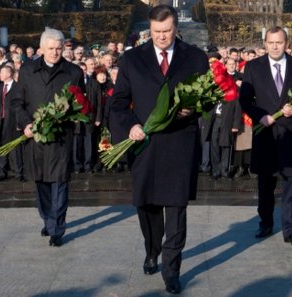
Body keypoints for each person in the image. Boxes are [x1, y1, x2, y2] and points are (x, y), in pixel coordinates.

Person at [109, 5, 209, 294]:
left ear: (176, 28)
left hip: (180, 144)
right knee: (147, 206)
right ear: (148, 30)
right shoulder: (132, 60)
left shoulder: (195, 57)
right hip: (145, 145)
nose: (162, 37)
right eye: (156, 32)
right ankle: (152, 249)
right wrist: (130, 126)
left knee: (177, 209)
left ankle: (171, 268)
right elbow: (118, 103)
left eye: (166, 31)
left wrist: (193, 109)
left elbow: (205, 98)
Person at [12, 28, 85, 247]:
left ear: (64, 48)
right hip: (36, 137)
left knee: (60, 182)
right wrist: (26, 123)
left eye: (59, 48)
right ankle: (48, 219)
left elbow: (79, 102)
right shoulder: (27, 70)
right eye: (51, 48)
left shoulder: (73, 72)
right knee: (42, 182)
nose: (55, 52)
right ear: (41, 48)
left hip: (61, 137)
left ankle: (57, 228)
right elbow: (17, 102)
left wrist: (69, 116)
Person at [239, 26, 292, 247]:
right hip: (266, 133)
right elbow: (245, 99)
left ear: (287, 43)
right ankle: (266, 223)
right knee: (265, 183)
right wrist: (260, 116)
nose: (275, 46)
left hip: (291, 133)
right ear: (265, 44)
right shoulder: (253, 67)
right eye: (271, 43)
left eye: (279, 42)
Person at [0, 65, 24, 182]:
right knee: (1, 146)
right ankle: (2, 171)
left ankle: (18, 172)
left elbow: (21, 106)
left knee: (14, 147)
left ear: (8, 74)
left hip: (12, 122)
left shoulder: (18, 87)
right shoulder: (0, 88)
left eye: (1, 72)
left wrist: (19, 123)